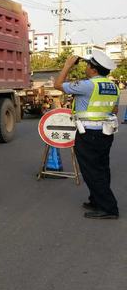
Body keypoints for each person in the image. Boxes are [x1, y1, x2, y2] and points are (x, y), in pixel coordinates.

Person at [54, 50, 120, 219]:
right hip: (105, 132)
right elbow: (114, 110)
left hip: (89, 133)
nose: (87, 68)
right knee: (102, 168)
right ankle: (97, 200)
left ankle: (108, 208)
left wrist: (68, 65)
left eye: (88, 65)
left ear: (94, 69)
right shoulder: (113, 86)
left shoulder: (88, 85)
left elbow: (58, 85)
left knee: (92, 170)